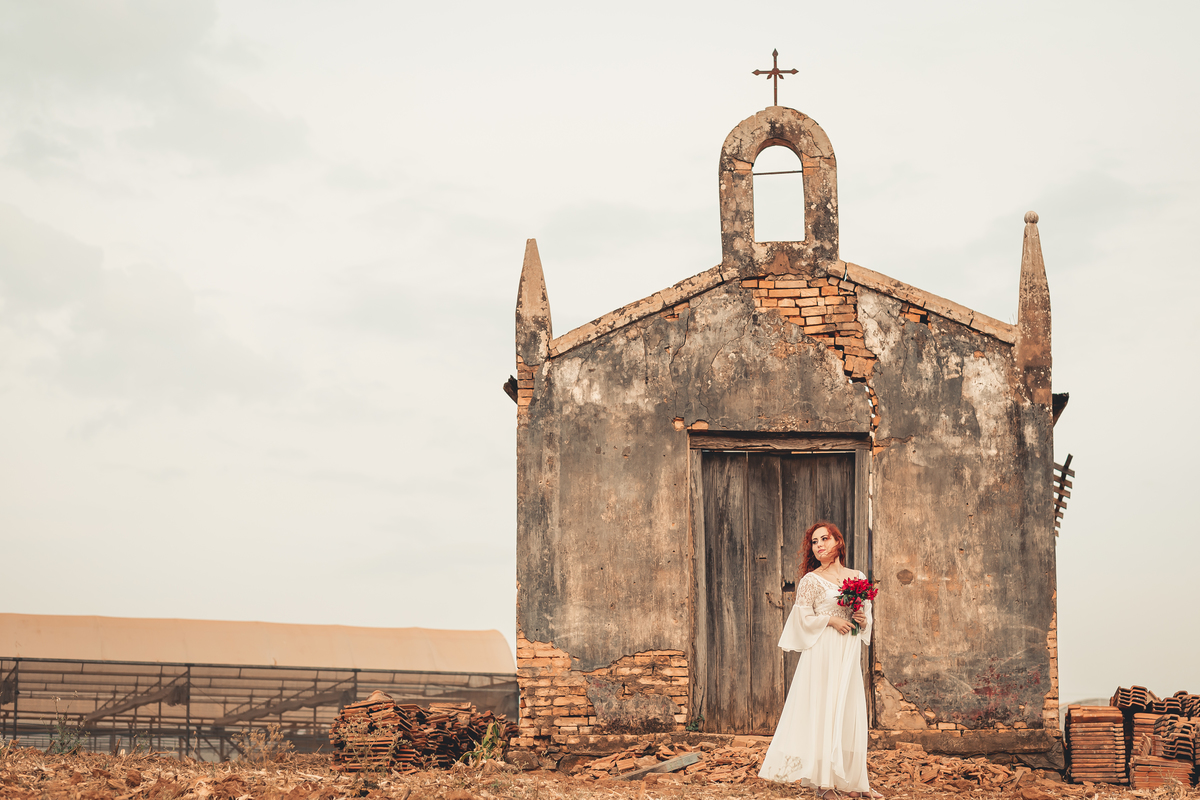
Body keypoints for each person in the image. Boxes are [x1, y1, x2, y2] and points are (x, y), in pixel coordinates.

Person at [758, 521, 880, 799]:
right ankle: (824, 784)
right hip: (823, 652)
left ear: (838, 542)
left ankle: (852, 782)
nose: (819, 545)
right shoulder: (811, 580)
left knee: (847, 710)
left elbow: (865, 617)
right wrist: (830, 619)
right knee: (824, 710)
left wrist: (861, 619)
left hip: (847, 651)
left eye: (825, 539)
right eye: (814, 542)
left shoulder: (857, 576)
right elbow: (802, 619)